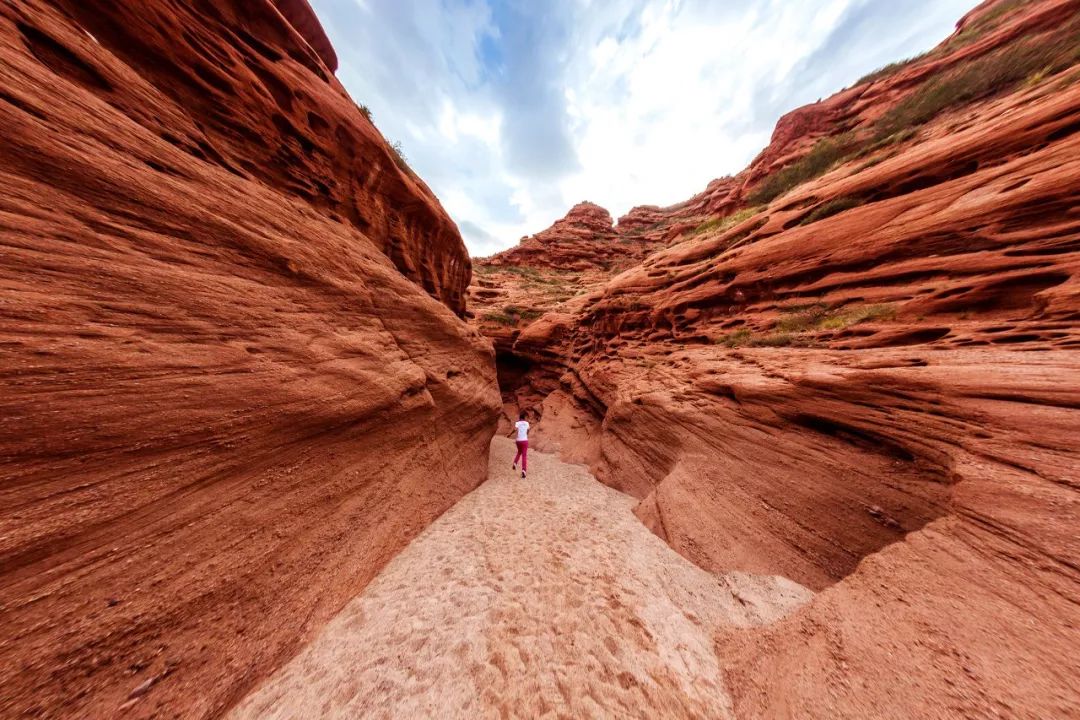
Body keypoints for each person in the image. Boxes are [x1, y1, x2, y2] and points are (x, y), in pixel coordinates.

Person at [511, 412, 529, 478]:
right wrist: (525, 434)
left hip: (518, 441)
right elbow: (528, 430)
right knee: (524, 455)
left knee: (519, 452)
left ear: (520, 418)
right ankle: (523, 470)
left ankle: (515, 463)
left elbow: (515, 429)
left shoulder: (517, 423)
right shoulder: (527, 423)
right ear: (524, 418)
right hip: (524, 440)